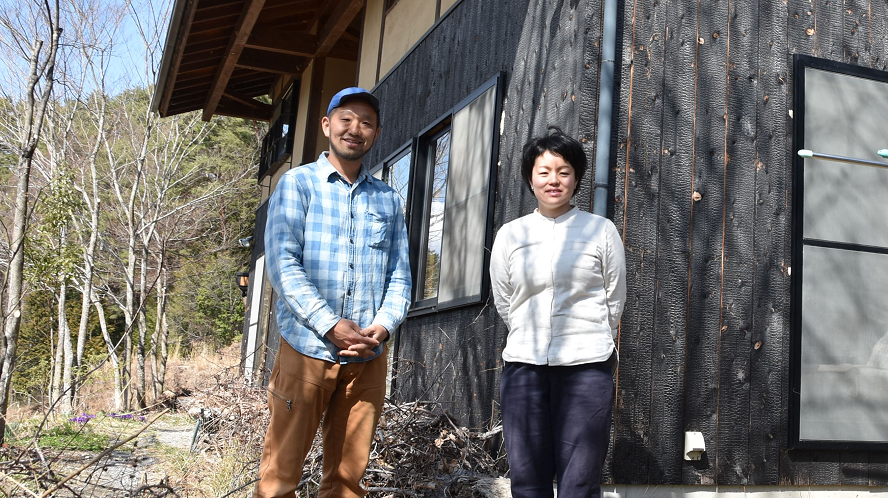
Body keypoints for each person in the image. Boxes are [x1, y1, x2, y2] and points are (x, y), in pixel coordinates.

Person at [255, 87, 411, 498]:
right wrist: (329, 324)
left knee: (346, 482)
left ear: (376, 133)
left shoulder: (388, 199)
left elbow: (400, 275)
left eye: (366, 123)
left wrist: (383, 326)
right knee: (279, 476)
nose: (355, 129)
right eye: (346, 119)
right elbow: (283, 265)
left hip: (367, 357)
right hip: (307, 349)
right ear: (327, 125)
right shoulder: (297, 184)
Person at [489, 127, 626, 498]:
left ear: (576, 178)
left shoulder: (601, 231)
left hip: (587, 367)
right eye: (544, 171)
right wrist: (526, 332)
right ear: (530, 177)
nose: (554, 180)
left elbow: (614, 297)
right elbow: (505, 299)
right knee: (527, 480)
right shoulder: (510, 235)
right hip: (524, 367)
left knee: (579, 481)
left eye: (564, 172)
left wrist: (590, 333)